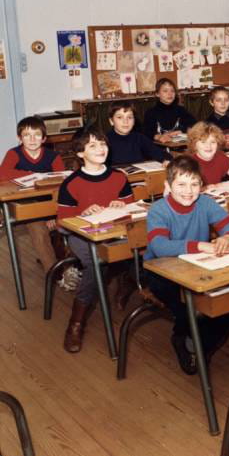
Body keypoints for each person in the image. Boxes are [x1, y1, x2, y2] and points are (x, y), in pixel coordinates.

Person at [144, 156, 229, 374]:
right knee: (188, 308)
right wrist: (199, 245)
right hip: (160, 272)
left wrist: (228, 237)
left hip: (197, 268)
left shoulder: (205, 203)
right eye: (181, 184)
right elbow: (159, 246)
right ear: (168, 185)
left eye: (194, 184)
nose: (188, 191)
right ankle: (183, 337)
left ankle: (199, 345)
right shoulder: (159, 209)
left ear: (201, 185)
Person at [57, 127, 134, 353]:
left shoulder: (119, 177)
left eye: (102, 143)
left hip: (116, 231)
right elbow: (62, 224)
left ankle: (128, 279)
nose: (101, 149)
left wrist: (123, 205)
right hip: (81, 236)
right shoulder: (71, 183)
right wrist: (82, 215)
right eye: (93, 145)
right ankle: (76, 323)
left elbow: (133, 209)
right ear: (80, 153)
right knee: (95, 262)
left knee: (144, 248)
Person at [0, 116, 65, 274]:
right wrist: (33, 175)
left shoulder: (53, 157)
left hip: (47, 205)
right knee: (37, 228)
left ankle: (61, 271)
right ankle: (55, 274)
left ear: (44, 138)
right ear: (19, 138)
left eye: (37, 135)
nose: (32, 139)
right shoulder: (14, 153)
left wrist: (52, 214)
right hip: (23, 203)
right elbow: (3, 173)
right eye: (27, 135)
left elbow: (61, 184)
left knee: (48, 229)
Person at [105, 102, 171, 166]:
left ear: (134, 121)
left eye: (129, 117)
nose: (125, 121)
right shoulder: (105, 141)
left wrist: (167, 160)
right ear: (111, 121)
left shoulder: (139, 138)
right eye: (120, 117)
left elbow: (162, 155)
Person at [187, 122, 229, 191]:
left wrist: (219, 185)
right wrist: (205, 188)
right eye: (203, 142)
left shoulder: (221, 158)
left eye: (213, 142)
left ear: (218, 144)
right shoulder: (188, 163)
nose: (208, 146)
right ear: (194, 145)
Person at [142, 78, 196, 142]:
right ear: (157, 94)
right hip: (159, 146)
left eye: (172, 91)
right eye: (165, 91)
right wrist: (158, 137)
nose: (170, 94)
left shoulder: (181, 110)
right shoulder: (151, 113)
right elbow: (146, 133)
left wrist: (180, 131)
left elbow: (194, 124)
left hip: (179, 145)